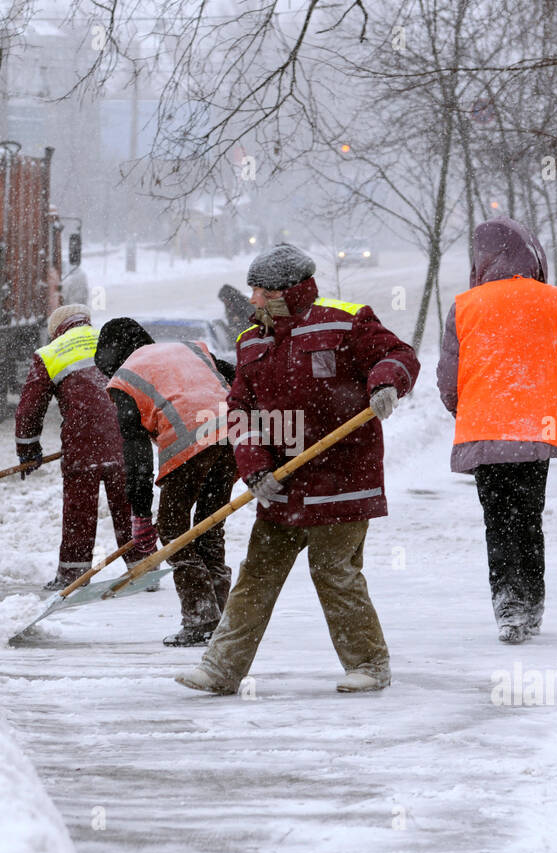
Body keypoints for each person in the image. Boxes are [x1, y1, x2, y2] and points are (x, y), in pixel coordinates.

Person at [176, 243, 420, 695]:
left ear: (290, 291)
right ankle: (221, 668)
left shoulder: (345, 321)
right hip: (281, 484)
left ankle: (369, 664)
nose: (252, 300)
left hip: (342, 477)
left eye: (261, 291)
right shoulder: (252, 341)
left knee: (335, 572)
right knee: (257, 575)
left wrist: (386, 384)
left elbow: (399, 355)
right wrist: (253, 469)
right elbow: (241, 413)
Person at [436, 217, 557, 644]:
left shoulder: (464, 306)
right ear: (530, 252)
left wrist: (467, 407)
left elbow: (448, 383)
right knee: (527, 519)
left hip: (483, 434)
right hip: (533, 432)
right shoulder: (551, 300)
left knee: (498, 522)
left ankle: (509, 607)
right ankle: (531, 605)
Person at [95, 318, 239, 646]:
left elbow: (138, 458)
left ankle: (202, 618)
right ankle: (222, 616)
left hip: (190, 441)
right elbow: (236, 375)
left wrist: (142, 516)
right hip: (232, 435)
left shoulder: (125, 379)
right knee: (209, 527)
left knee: (173, 530)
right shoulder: (189, 348)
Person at [15, 304, 135, 590]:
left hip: (84, 445)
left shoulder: (50, 353)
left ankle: (73, 575)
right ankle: (143, 565)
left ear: (57, 330)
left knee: (79, 512)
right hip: (126, 439)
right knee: (129, 505)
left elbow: (30, 409)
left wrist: (28, 449)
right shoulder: (111, 340)